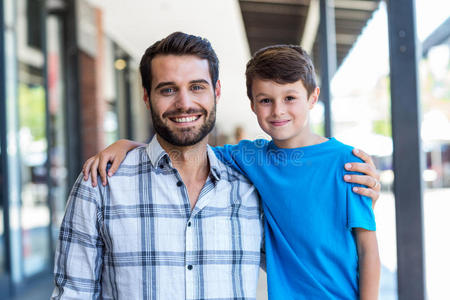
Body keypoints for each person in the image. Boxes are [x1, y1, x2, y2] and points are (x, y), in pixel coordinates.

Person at [83, 42, 381, 299]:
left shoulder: (347, 163)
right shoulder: (249, 157)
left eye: (290, 98)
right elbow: (188, 149)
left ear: (313, 97)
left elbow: (368, 250)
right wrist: (128, 145)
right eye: (266, 100)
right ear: (252, 104)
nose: (278, 110)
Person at [52, 32, 264, 299]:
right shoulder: (100, 185)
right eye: (168, 89)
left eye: (197, 87)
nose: (184, 103)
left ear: (216, 92)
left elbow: (306, 267)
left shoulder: (253, 186)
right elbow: (73, 294)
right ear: (146, 96)